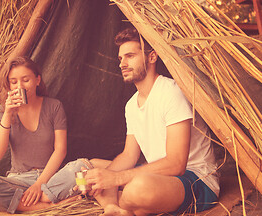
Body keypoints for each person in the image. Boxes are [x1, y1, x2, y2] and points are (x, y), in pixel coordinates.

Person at [84, 27, 220, 216]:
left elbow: (177, 163)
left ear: (152, 57)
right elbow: (128, 155)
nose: (122, 63)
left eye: (130, 56)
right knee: (92, 167)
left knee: (137, 188)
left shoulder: (172, 92)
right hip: (159, 175)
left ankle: (123, 203)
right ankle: (113, 208)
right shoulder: (131, 105)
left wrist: (115, 179)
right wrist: (102, 179)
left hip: (195, 178)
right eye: (121, 58)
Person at [0, 56, 92, 214]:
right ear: (9, 85)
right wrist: (7, 113)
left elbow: (61, 150)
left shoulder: (54, 106)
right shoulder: (4, 111)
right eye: (14, 82)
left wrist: (39, 185)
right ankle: (47, 206)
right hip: (18, 180)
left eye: (25, 80)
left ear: (37, 80)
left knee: (82, 168)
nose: (20, 86)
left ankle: (28, 202)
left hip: (52, 178)